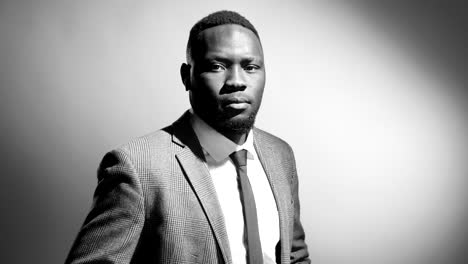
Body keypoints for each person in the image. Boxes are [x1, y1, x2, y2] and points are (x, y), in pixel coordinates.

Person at [65, 10, 310, 264]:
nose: (237, 81)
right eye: (217, 66)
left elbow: (294, 253)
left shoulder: (280, 155)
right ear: (186, 76)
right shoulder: (138, 168)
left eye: (250, 67)